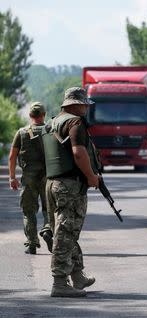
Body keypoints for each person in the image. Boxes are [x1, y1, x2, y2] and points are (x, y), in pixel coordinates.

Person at [43, 87, 100, 298]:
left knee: (67, 231)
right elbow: (78, 153)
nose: (86, 107)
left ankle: (77, 275)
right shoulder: (75, 123)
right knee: (65, 233)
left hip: (53, 183)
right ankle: (59, 282)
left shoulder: (53, 122)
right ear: (75, 104)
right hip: (70, 185)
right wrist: (91, 176)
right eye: (84, 103)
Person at [8, 102, 53, 255]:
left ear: (30, 116)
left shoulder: (21, 133)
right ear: (44, 115)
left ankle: (32, 243)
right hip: (49, 176)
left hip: (28, 178)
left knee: (28, 211)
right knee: (50, 209)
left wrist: (12, 177)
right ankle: (48, 229)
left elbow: (12, 156)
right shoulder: (51, 130)